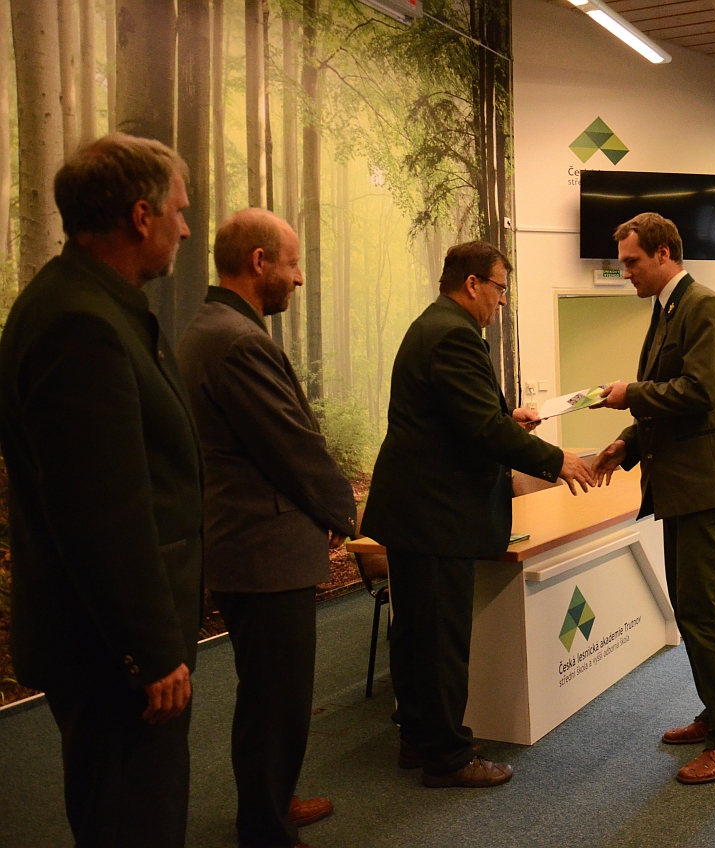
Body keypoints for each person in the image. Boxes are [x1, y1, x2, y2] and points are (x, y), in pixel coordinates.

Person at [0, 134, 201, 846]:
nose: (186, 228)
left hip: (110, 642)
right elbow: (101, 513)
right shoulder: (79, 323)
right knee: (131, 821)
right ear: (141, 216)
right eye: (179, 210)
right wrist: (149, 650)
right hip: (111, 654)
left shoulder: (92, 305)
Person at [361, 241, 595, 788]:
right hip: (437, 515)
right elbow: (481, 431)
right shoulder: (454, 335)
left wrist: (506, 419)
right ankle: (447, 757)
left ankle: (419, 739)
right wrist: (557, 459)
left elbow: (464, 420)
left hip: (419, 513)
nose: (502, 300)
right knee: (439, 642)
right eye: (499, 288)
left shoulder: (434, 326)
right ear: (472, 284)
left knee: (416, 636)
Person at [177, 208, 356, 847]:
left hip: (247, 544)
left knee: (267, 693)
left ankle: (271, 799)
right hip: (262, 551)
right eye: (292, 263)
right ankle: (266, 828)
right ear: (259, 262)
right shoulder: (238, 340)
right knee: (275, 698)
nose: (299, 278)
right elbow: (291, 445)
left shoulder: (210, 328)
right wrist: (344, 511)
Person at [593, 212, 715, 785]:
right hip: (684, 486)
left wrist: (630, 395)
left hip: (708, 485)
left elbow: (698, 392)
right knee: (691, 609)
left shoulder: (703, 305)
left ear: (663, 253)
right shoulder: (667, 310)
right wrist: (626, 443)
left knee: (704, 611)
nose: (626, 273)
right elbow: (668, 401)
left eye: (632, 262)